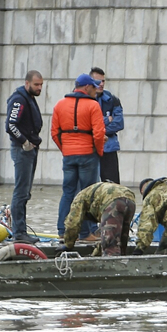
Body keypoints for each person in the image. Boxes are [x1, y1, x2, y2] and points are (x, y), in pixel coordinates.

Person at [52, 73, 106, 241]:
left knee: (68, 192)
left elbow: (55, 133)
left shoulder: (59, 105)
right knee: (87, 194)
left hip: (69, 155)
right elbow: (99, 134)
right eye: (94, 87)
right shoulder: (93, 106)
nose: (96, 90)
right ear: (86, 87)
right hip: (88, 154)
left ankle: (62, 230)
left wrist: (65, 149)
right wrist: (98, 151)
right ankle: (85, 233)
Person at [5, 70, 43, 244]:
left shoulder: (29, 98)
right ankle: (19, 232)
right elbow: (10, 125)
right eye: (36, 85)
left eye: (41, 85)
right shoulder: (19, 99)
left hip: (30, 149)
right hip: (23, 150)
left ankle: (21, 230)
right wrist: (24, 142)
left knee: (25, 192)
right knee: (20, 192)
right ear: (27, 83)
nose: (39, 88)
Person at [61, 182, 137, 256]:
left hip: (113, 201)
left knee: (110, 247)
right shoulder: (93, 196)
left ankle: (111, 266)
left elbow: (72, 224)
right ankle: (123, 263)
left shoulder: (78, 200)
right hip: (130, 198)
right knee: (121, 240)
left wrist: (68, 244)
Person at [89, 67, 124, 184]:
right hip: (90, 148)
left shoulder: (112, 100)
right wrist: (106, 120)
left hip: (108, 148)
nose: (101, 84)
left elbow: (119, 124)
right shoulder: (84, 100)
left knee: (112, 185)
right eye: (98, 81)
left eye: (103, 81)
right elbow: (86, 124)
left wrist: (97, 129)